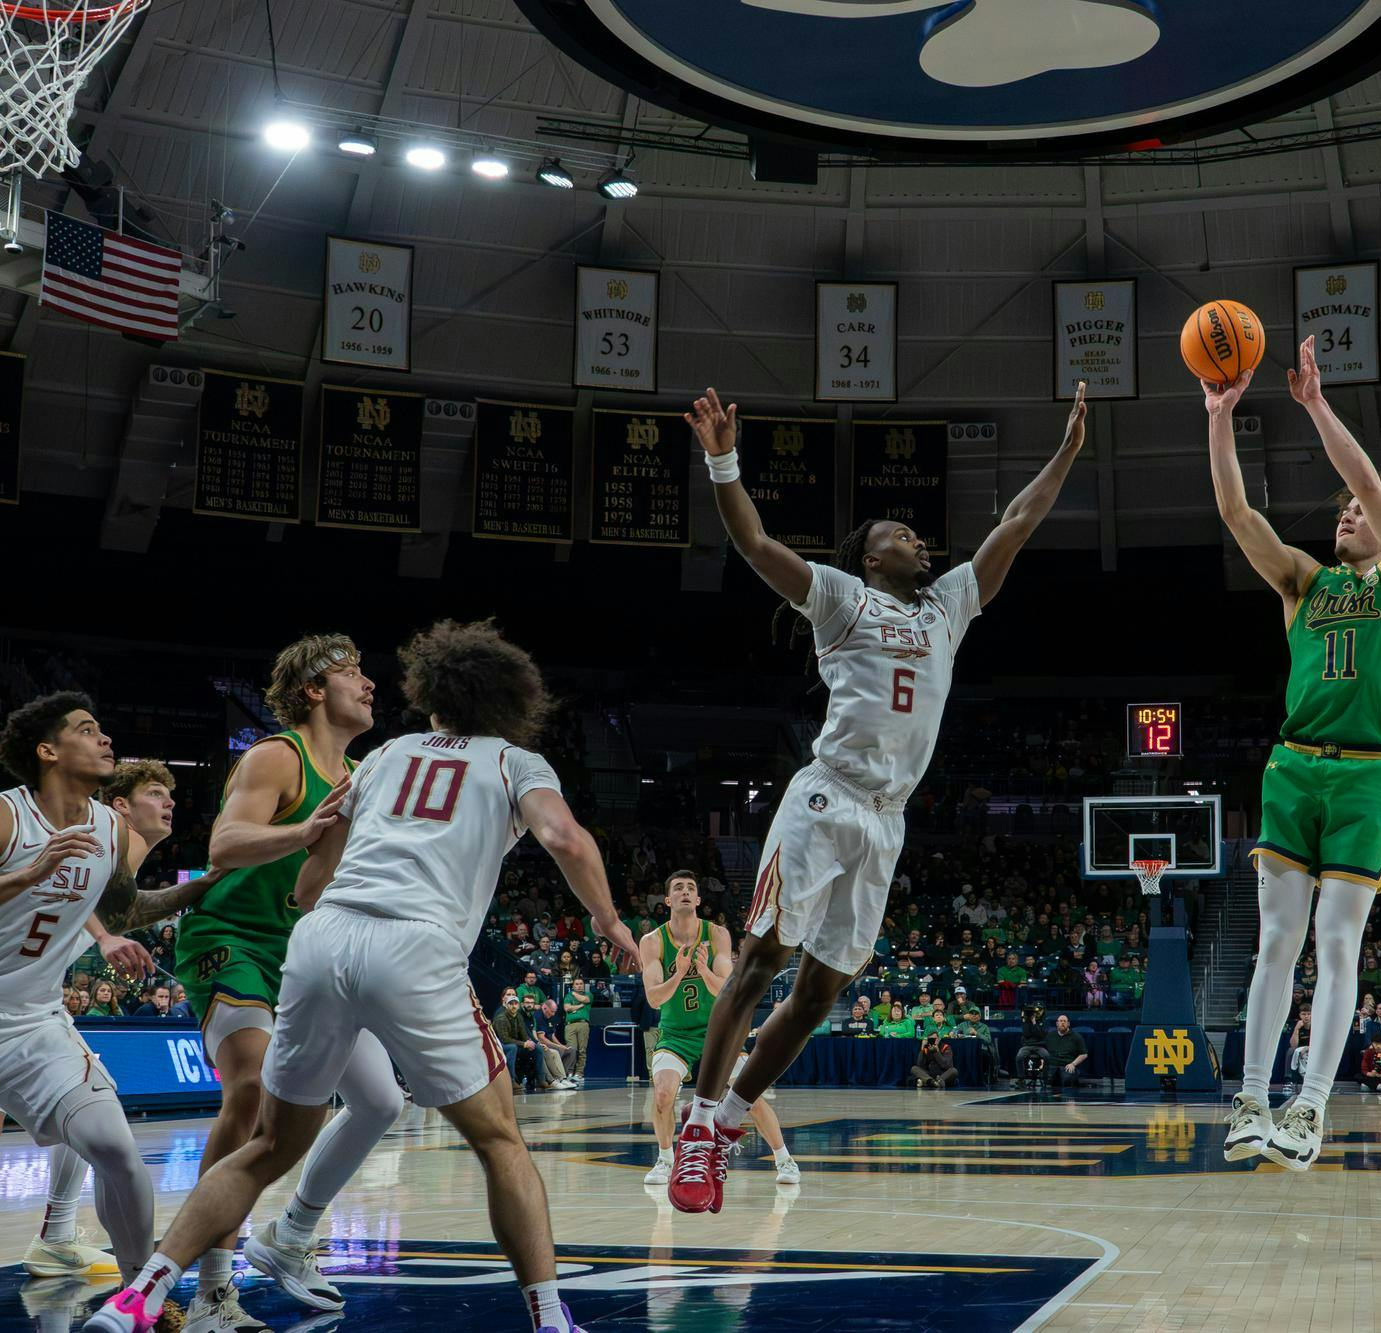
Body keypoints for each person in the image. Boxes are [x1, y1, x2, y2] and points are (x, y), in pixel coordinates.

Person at [86, 620, 643, 1333]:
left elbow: (314, 880)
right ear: (510, 701)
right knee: (500, 1140)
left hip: (320, 939)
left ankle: (143, 1294)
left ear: (433, 695)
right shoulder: (514, 760)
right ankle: (549, 1317)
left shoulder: (382, 756)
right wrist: (605, 919)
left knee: (274, 1140)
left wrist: (328, 920)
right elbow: (565, 837)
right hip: (409, 944)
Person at [669, 384, 1088, 1215]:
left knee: (820, 994)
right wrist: (724, 457)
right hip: (825, 799)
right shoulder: (839, 596)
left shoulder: (948, 607)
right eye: (903, 535)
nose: (919, 541)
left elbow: (1016, 523)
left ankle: (731, 1116)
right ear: (870, 556)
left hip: (887, 820)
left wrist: (1069, 451)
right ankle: (696, 1123)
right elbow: (752, 541)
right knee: (761, 961)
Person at [1207, 339, 1381, 1170]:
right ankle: (1251, 1099)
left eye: (1357, 509)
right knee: (1278, 941)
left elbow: (1375, 487)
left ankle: (1309, 1110)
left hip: (1366, 772)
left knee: (1337, 945)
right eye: (1338, 507)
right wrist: (1219, 420)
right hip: (1293, 764)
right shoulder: (1304, 582)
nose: (1345, 512)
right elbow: (1238, 516)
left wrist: (1314, 405)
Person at [169, 634, 411, 1332]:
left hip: (306, 945)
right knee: (249, 1087)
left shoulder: (364, 773)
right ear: (312, 690)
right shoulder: (277, 755)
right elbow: (225, 844)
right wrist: (309, 828)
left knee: (379, 1099)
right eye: (351, 671)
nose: (369, 683)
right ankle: (214, 1291)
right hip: (233, 938)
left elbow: (321, 888)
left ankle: (290, 1235)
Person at [0, 695, 219, 1309]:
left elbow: (123, 908)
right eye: (87, 730)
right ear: (48, 752)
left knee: (119, 1153)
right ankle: (59, 1238)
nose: (105, 739)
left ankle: (139, 1301)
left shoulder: (106, 828)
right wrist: (24, 875)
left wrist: (205, 885)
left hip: (31, 1023)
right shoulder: (9, 818)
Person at [638, 872, 798, 1188]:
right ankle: (665, 1159)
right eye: (678, 888)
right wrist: (679, 974)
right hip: (675, 1035)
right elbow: (654, 999)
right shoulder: (652, 941)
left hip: (718, 1033)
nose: (685, 892)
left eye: (691, 888)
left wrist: (702, 970)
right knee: (663, 1094)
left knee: (749, 1097)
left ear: (698, 900)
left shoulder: (717, 935)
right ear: (668, 900)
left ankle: (785, 1159)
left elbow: (728, 989)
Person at [1041, 1014, 1089, 1092]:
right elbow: (1043, 1049)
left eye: (1064, 1021)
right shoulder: (1050, 1036)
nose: (1062, 1023)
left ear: (1068, 1024)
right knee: (1047, 1079)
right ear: (1057, 1024)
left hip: (1067, 1065)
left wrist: (1073, 1064)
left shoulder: (1076, 1037)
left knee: (1067, 1080)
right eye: (1060, 1021)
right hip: (1052, 1065)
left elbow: (1084, 1054)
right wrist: (1043, 1060)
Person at [562, 977, 593, 1081]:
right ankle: (569, 1072)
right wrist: (580, 1006)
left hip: (583, 1024)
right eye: (577, 984)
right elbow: (567, 1008)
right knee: (571, 1049)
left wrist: (574, 995)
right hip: (570, 1025)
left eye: (581, 984)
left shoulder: (588, 994)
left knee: (582, 1050)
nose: (579, 985)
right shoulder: (568, 996)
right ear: (573, 986)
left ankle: (579, 1073)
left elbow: (585, 1000)